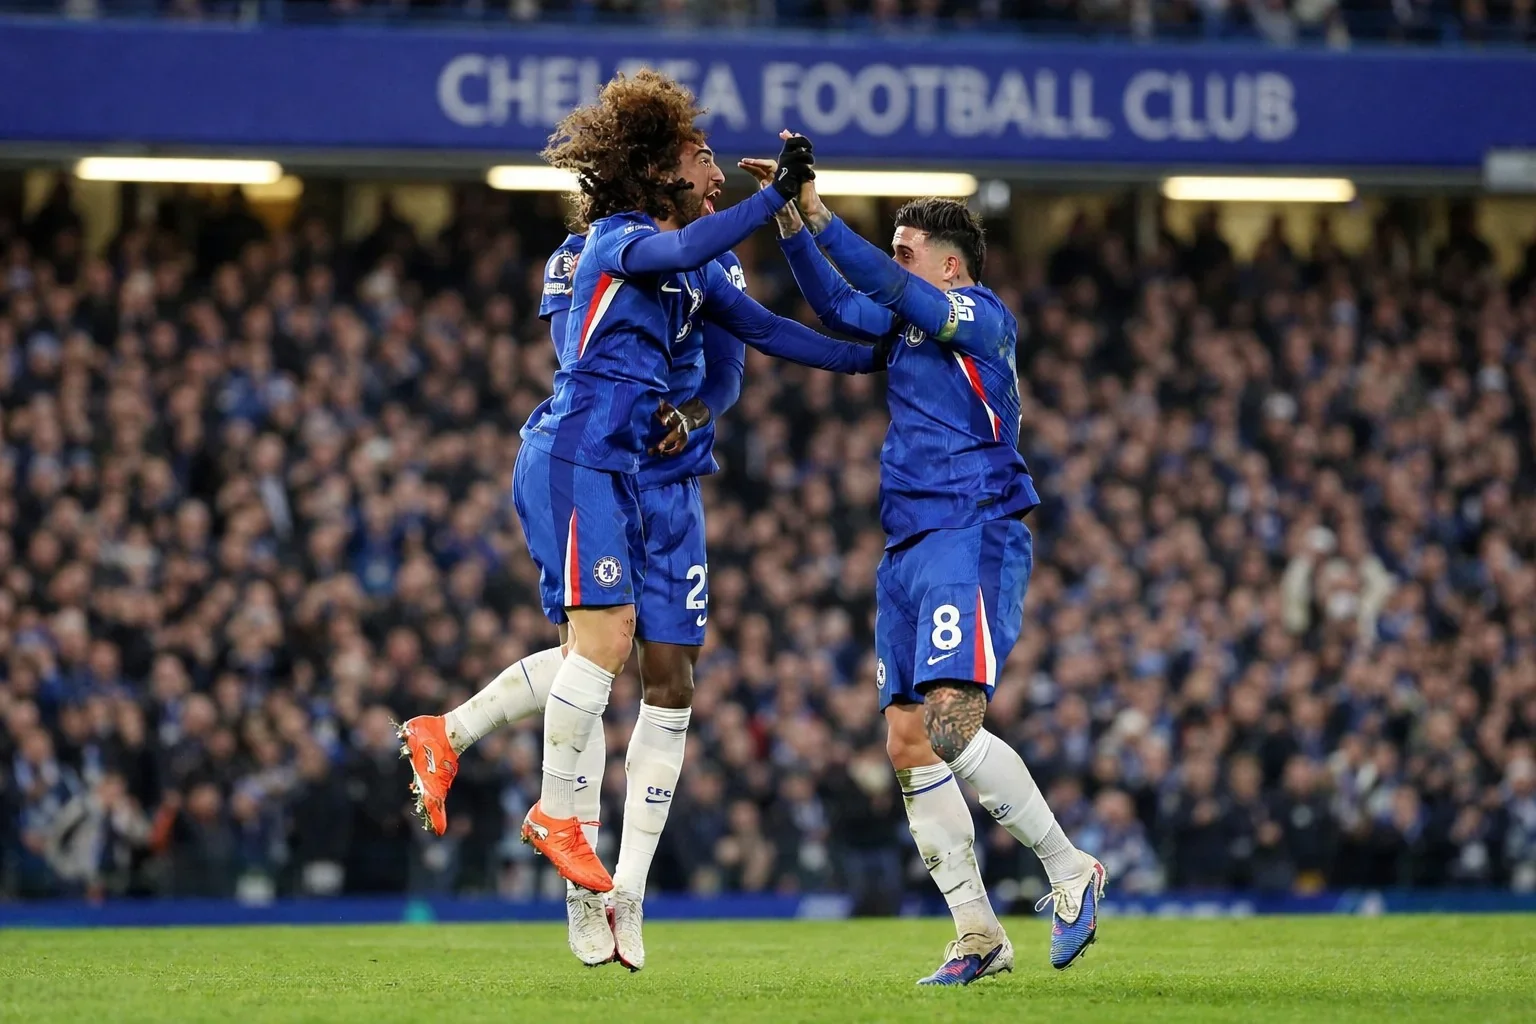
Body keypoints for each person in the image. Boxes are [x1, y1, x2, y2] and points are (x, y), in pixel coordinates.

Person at [396, 73, 873, 970]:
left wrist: (869, 358)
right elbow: (602, 325)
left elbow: (755, 339)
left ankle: (597, 863)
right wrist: (775, 197)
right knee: (600, 651)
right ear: (660, 170)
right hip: (589, 457)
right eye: (699, 156)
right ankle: (572, 854)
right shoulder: (606, 245)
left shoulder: (708, 257)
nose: (716, 168)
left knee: (644, 668)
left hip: (651, 471)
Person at [745, 141, 1103, 981]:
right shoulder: (910, 324)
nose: (894, 262)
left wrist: (825, 214)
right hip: (906, 543)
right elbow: (839, 307)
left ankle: (1068, 867)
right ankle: (979, 932)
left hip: (969, 530)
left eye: (905, 251)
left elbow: (886, 286)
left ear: (949, 265)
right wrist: (792, 221)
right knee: (908, 742)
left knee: (950, 720)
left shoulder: (982, 316)